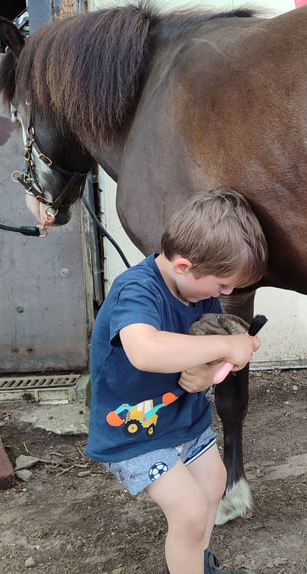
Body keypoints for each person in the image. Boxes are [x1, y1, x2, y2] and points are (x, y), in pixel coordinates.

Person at [85, 187, 268, 574]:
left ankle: (194, 567)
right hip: (135, 428)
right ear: (184, 266)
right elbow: (146, 351)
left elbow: (203, 347)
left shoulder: (197, 292)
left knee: (214, 484)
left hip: (184, 420)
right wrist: (226, 343)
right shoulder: (135, 291)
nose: (227, 294)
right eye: (223, 285)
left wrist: (209, 370)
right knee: (187, 511)